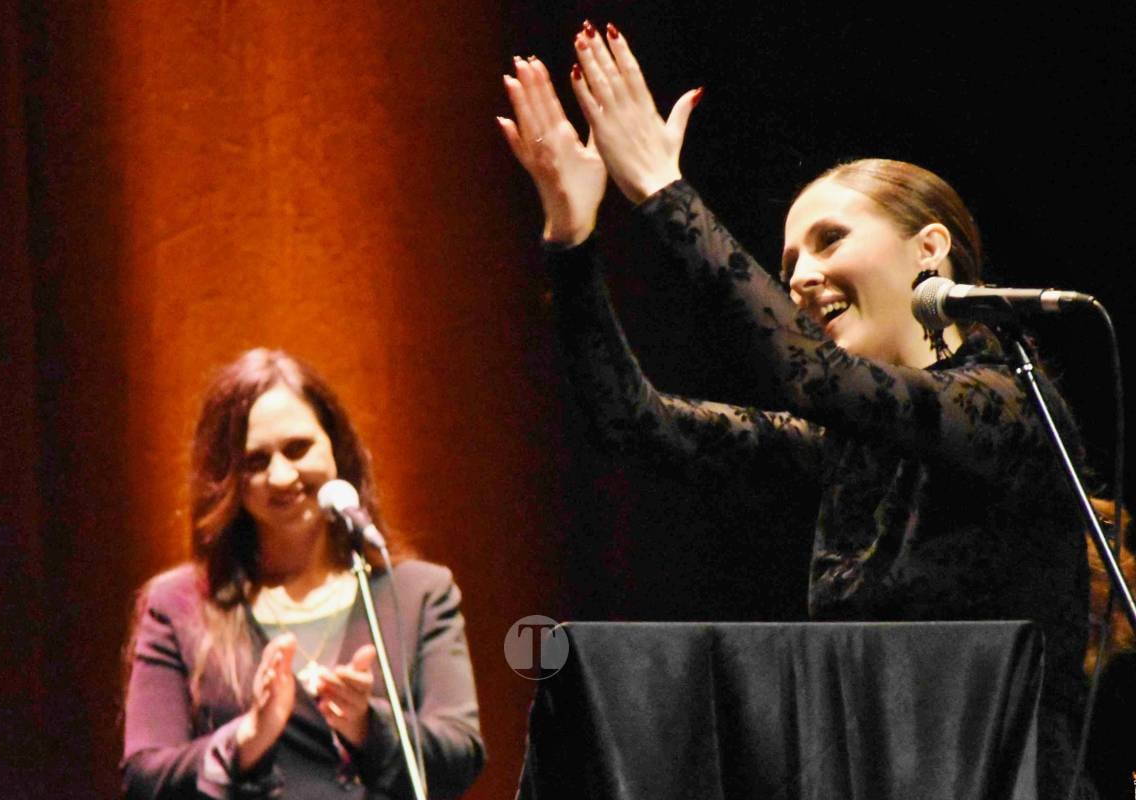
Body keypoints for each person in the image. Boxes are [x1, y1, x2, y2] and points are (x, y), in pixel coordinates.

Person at [499, 21, 1095, 799]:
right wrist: (572, 241)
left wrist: (662, 190)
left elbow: (811, 377)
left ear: (930, 249)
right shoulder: (853, 448)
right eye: (788, 264)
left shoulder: (1010, 403)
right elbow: (634, 422)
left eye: (830, 239)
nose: (803, 276)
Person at [121, 349, 485, 799]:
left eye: (298, 448)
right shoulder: (179, 604)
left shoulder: (416, 593)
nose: (280, 476)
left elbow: (461, 753)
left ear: (336, 447)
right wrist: (245, 739)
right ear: (226, 476)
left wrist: (370, 726)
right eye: (255, 462)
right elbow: (144, 776)